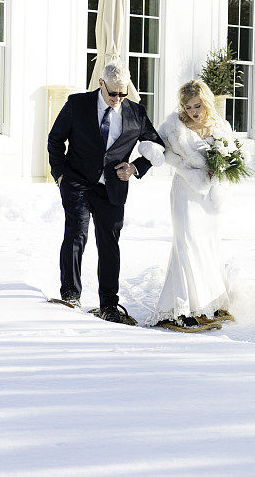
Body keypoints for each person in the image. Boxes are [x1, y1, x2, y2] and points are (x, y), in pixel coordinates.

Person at [48, 62, 165, 323]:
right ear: (101, 83)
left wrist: (135, 167)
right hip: (76, 183)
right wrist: (59, 174)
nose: (118, 99)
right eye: (113, 93)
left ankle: (109, 306)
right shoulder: (77, 104)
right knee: (76, 234)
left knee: (109, 244)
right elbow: (56, 139)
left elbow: (157, 145)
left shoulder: (136, 112)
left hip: (112, 188)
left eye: (123, 93)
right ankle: (70, 296)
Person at [147, 80, 239, 328]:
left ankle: (209, 304)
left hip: (210, 196)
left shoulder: (220, 125)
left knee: (207, 246)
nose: (193, 112)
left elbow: (233, 155)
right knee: (185, 245)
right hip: (185, 191)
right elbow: (158, 148)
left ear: (206, 101)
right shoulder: (174, 126)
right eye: (188, 107)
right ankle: (180, 309)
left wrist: (223, 166)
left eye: (197, 105)